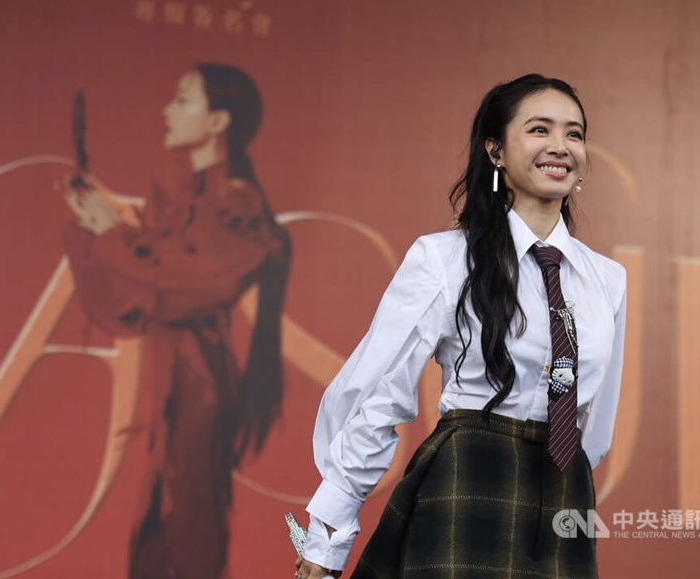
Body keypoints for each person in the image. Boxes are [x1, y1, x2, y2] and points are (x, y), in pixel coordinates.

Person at [294, 74, 626, 579]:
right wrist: (329, 534)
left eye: (574, 133)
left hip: (564, 494)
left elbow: (596, 428)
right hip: (466, 477)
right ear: (496, 151)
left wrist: (569, 486)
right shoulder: (446, 259)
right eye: (540, 130)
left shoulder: (607, 279)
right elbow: (381, 391)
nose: (560, 146)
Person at [62, 63, 291, 579]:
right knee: (158, 534)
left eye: (183, 99)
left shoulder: (235, 201)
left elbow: (185, 281)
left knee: (188, 533)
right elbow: (129, 306)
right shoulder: (192, 203)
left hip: (198, 390)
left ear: (217, 121)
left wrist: (109, 236)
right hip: (171, 389)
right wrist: (90, 235)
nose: (168, 110)